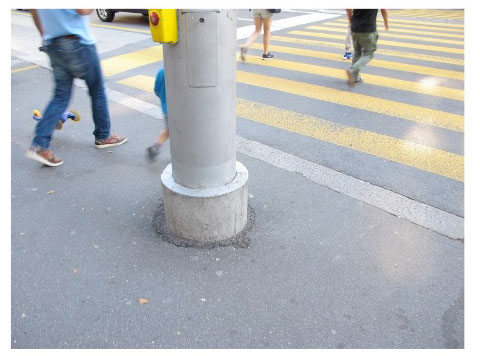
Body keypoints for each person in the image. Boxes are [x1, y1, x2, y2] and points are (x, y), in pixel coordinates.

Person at [26, 9, 127, 167]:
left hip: (53, 44)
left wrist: (45, 37)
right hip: (77, 43)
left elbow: (34, 11)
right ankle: (103, 136)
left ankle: (39, 144)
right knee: (97, 92)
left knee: (60, 97)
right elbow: (83, 9)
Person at [346, 9, 389, 87]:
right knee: (369, 53)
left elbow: (348, 8)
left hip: (354, 28)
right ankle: (353, 69)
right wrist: (386, 22)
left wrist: (350, 20)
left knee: (357, 52)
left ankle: (355, 77)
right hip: (368, 29)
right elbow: (384, 10)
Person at [146, 67, 169, 161]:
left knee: (168, 130)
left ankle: (156, 146)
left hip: (166, 110)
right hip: (182, 110)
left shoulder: (161, 72)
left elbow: (156, 90)